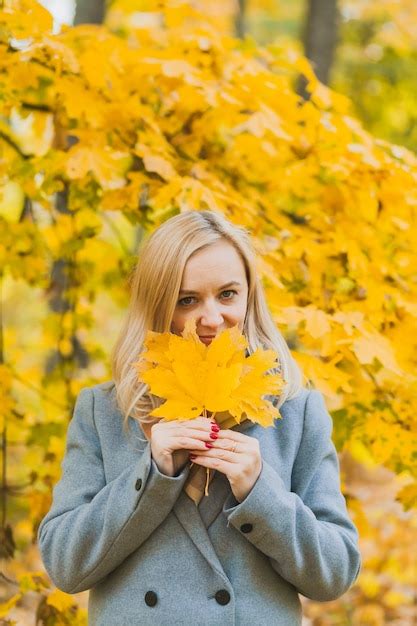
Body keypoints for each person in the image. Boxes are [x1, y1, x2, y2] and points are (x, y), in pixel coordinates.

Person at [37, 210, 361, 626]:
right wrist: (150, 476)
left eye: (227, 294)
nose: (211, 319)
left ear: (249, 297)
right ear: (157, 306)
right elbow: (66, 565)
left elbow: (334, 575)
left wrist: (261, 494)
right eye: (187, 299)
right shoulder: (103, 412)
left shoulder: (294, 411)